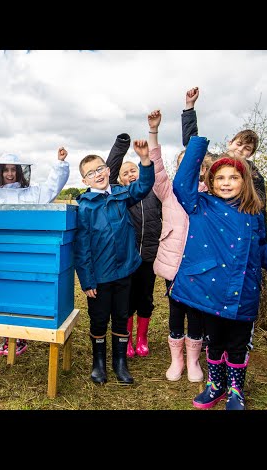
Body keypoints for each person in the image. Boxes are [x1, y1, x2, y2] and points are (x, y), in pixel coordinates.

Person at [172, 135, 267, 410]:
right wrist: (197, 143)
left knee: (238, 345)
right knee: (214, 343)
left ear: (245, 182)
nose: (226, 183)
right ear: (212, 183)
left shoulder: (254, 213)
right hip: (211, 292)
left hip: (244, 291)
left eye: (233, 177)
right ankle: (216, 386)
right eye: (220, 178)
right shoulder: (200, 205)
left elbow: (265, 251)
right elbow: (181, 184)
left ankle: (236, 391)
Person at [74, 139, 155, 385]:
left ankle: (120, 362)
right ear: (85, 181)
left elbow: (143, 186)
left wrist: (144, 160)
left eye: (100, 169)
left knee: (121, 316)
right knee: (99, 319)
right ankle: (99, 363)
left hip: (125, 273)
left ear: (108, 170)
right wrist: (87, 280)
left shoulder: (121, 195)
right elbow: (82, 248)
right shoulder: (84, 208)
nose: (97, 174)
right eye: (90, 173)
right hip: (99, 278)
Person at [0, 147, 70, 356]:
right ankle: (8, 337)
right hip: (1, 253)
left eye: (13, 170)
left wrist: (60, 164)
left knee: (23, 293)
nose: (9, 174)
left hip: (25, 251)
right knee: (4, 292)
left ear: (20, 171)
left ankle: (21, 337)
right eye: (5, 170)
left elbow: (52, 188)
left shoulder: (32, 193)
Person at [145, 110, 205, 382]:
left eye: (197, 165)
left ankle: (194, 361)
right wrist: (154, 132)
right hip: (174, 265)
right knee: (176, 311)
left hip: (200, 266)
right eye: (184, 165)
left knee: (197, 314)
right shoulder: (168, 192)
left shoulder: (210, 196)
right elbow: (156, 167)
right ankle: (176, 360)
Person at [182, 87, 267, 242]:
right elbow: (192, 145)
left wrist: (262, 244)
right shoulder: (212, 162)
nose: (240, 150)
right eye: (239, 144)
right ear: (230, 143)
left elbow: (260, 210)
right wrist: (190, 107)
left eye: (247, 148)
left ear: (251, 154)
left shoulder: (254, 176)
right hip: (210, 223)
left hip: (236, 230)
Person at [106, 130, 162, 359]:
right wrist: (121, 145)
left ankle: (142, 338)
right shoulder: (120, 194)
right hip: (128, 257)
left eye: (133, 170)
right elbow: (108, 174)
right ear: (120, 179)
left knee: (146, 298)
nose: (130, 175)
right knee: (127, 299)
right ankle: (127, 339)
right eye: (125, 173)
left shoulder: (152, 191)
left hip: (149, 254)